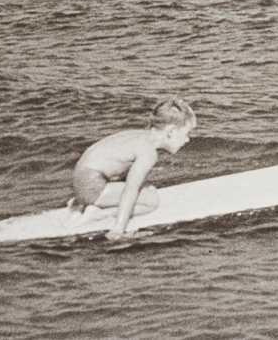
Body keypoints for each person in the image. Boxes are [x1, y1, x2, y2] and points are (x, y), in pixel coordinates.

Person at [68, 97, 196, 240]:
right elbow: (130, 190)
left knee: (146, 188)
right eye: (186, 134)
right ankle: (98, 213)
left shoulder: (139, 136)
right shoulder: (148, 152)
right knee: (152, 200)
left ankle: (83, 203)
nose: (188, 140)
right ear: (171, 131)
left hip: (82, 179)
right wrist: (119, 230)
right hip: (92, 187)